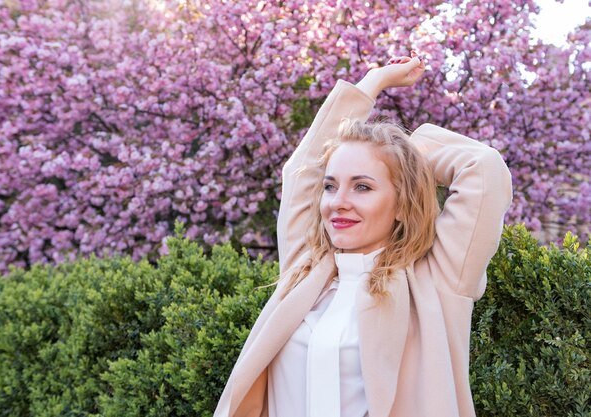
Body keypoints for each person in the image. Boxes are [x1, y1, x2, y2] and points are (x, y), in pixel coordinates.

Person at [214, 51, 513, 417]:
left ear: (403, 203)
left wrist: (402, 153)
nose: (338, 203)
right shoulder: (305, 267)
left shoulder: (438, 281)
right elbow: (302, 170)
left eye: (362, 187)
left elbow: (483, 169)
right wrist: (373, 82)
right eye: (330, 186)